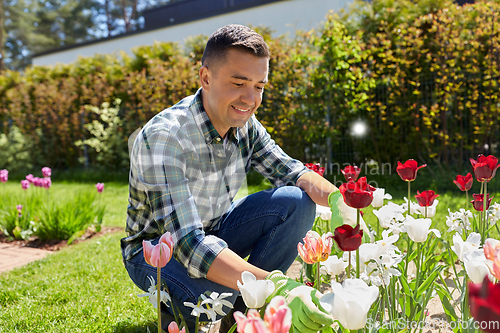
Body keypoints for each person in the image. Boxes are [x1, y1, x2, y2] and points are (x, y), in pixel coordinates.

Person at [121, 24, 340, 332]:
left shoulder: (244, 124)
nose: (250, 98)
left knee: (296, 200)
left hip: (217, 229)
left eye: (259, 86)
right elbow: (189, 244)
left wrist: (341, 203)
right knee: (215, 300)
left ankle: (247, 306)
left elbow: (294, 172)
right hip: (158, 251)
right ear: (206, 78)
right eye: (239, 83)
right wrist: (281, 285)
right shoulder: (165, 137)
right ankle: (222, 303)